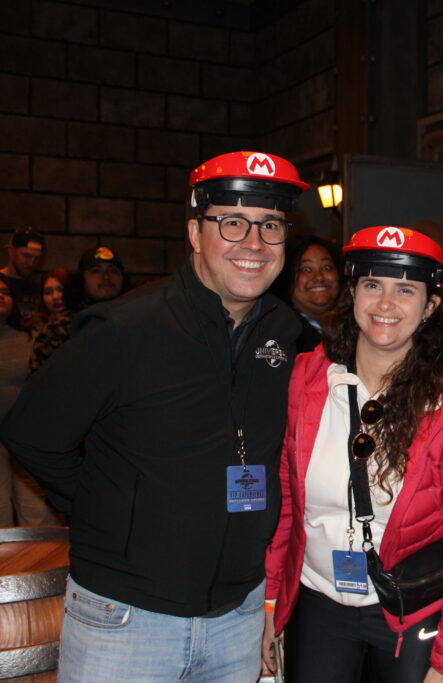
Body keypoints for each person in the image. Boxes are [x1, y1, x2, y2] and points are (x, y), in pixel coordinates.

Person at [1, 150, 307, 682]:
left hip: (237, 615)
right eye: (232, 223)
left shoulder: (284, 330)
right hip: (125, 620)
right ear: (194, 232)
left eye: (271, 226)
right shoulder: (123, 329)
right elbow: (32, 434)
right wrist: (111, 506)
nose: (254, 244)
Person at [263, 226, 443, 683]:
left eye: (405, 290)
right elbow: (286, 509)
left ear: (430, 306)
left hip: (412, 610)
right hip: (317, 603)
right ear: (352, 294)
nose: (385, 305)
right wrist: (270, 603)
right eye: (372, 285)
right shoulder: (306, 380)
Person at [0, 279, 62, 527]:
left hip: (25, 434)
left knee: (38, 516)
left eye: (4, 292)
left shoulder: (33, 336)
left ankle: (44, 566)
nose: (0, 296)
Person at [276, 235, 344, 352]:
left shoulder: (354, 327)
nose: (319, 277)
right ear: (288, 277)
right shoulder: (280, 332)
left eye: (327, 267)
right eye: (306, 269)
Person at [0, 227, 45, 325]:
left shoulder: (40, 286)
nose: (31, 263)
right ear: (11, 251)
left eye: (37, 258)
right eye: (27, 256)